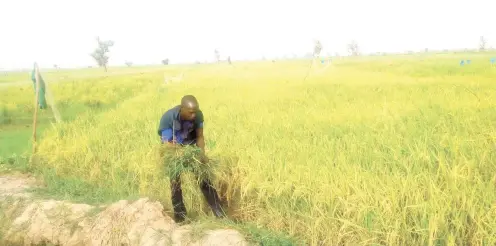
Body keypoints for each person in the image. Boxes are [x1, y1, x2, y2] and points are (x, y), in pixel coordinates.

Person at [157, 95, 226, 222]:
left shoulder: (198, 115)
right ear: (182, 109)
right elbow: (167, 143)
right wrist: (181, 153)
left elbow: (200, 137)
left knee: (204, 178)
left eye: (195, 112)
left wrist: (202, 154)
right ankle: (180, 218)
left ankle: (219, 213)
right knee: (175, 184)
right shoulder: (169, 117)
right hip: (173, 151)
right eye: (190, 113)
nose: (193, 116)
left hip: (191, 147)